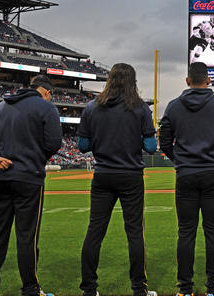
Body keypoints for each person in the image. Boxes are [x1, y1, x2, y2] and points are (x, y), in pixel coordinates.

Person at [0, 75, 62, 296]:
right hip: (29, 178)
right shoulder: (46, 108)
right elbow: (53, 143)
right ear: (46, 92)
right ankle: (31, 289)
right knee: (27, 236)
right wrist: (35, 159)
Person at [77, 63, 158, 296]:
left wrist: (102, 139)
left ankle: (89, 289)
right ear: (132, 81)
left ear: (109, 80)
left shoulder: (92, 107)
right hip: (131, 175)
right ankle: (138, 289)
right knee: (134, 232)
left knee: (95, 231)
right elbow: (151, 147)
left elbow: (83, 146)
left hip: (103, 175)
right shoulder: (141, 108)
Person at [159, 62, 214, 296]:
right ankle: (213, 288)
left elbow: (164, 142)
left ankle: (185, 289)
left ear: (187, 81)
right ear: (209, 81)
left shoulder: (173, 107)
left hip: (186, 174)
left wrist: (181, 160)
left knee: (186, 231)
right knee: (213, 231)